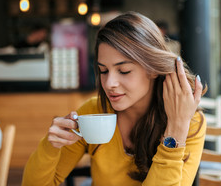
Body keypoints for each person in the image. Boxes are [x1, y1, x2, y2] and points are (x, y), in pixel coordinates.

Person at [22, 11, 207, 186]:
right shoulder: (94, 112)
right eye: (103, 70)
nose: (109, 83)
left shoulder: (190, 123)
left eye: (124, 71)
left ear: (152, 69)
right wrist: (50, 146)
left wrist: (176, 129)